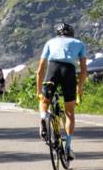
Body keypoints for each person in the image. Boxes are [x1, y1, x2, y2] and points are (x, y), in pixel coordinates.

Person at [36, 23, 87, 162]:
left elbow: (40, 69)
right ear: (72, 34)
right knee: (69, 112)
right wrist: (79, 89)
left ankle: (43, 118)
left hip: (52, 69)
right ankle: (68, 147)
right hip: (69, 72)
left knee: (45, 101)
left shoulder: (50, 42)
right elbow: (83, 70)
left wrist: (38, 91)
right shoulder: (79, 43)